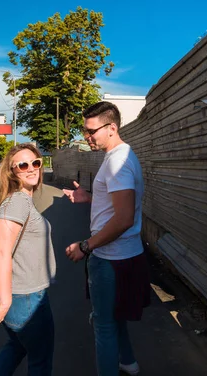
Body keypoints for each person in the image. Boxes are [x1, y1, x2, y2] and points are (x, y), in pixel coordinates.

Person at [64, 101, 150, 376]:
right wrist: (90, 197)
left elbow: (124, 218)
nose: (87, 137)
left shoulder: (118, 163)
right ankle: (129, 362)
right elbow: (119, 207)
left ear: (111, 128)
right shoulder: (120, 157)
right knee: (116, 318)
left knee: (103, 326)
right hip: (126, 255)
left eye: (91, 131)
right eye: (85, 131)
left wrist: (86, 246)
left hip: (111, 260)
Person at [0, 143, 57, 376]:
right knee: (40, 360)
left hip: (23, 294)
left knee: (16, 346)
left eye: (36, 163)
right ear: (13, 171)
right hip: (25, 297)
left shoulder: (21, 200)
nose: (32, 169)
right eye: (23, 165)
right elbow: (2, 252)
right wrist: (4, 303)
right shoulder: (16, 203)